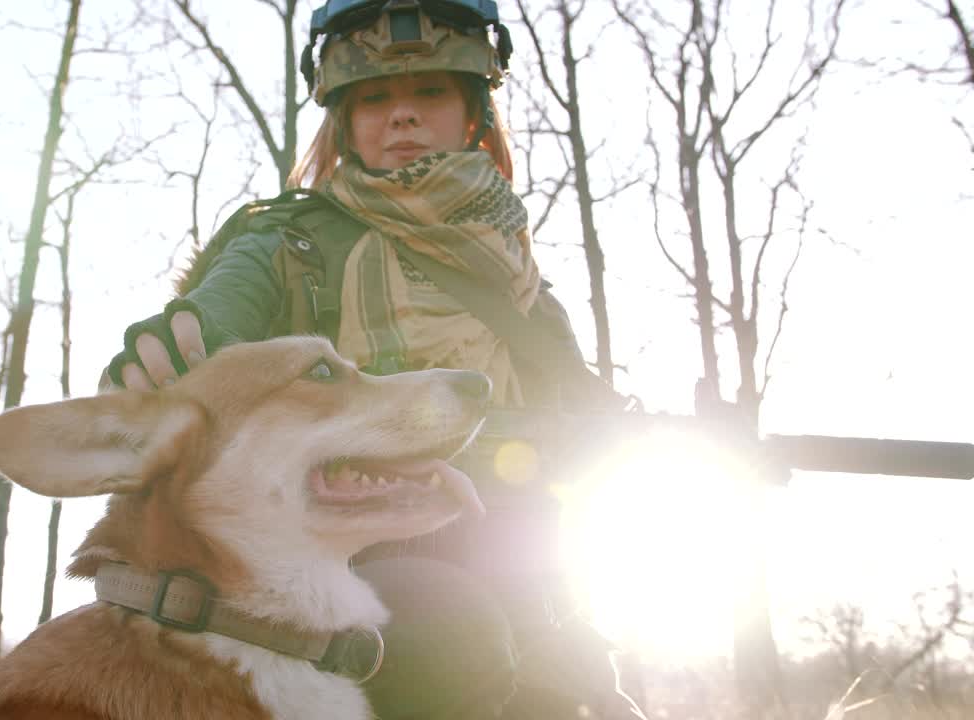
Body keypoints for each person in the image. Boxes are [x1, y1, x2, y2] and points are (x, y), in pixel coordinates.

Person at [104, 1, 641, 718]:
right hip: (353, 587)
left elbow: (591, 428)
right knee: (437, 620)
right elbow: (218, 314)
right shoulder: (288, 242)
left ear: (475, 110)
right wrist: (179, 342)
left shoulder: (523, 290)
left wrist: (684, 445)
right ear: (343, 119)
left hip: (531, 591)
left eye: (431, 91)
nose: (403, 116)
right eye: (375, 98)